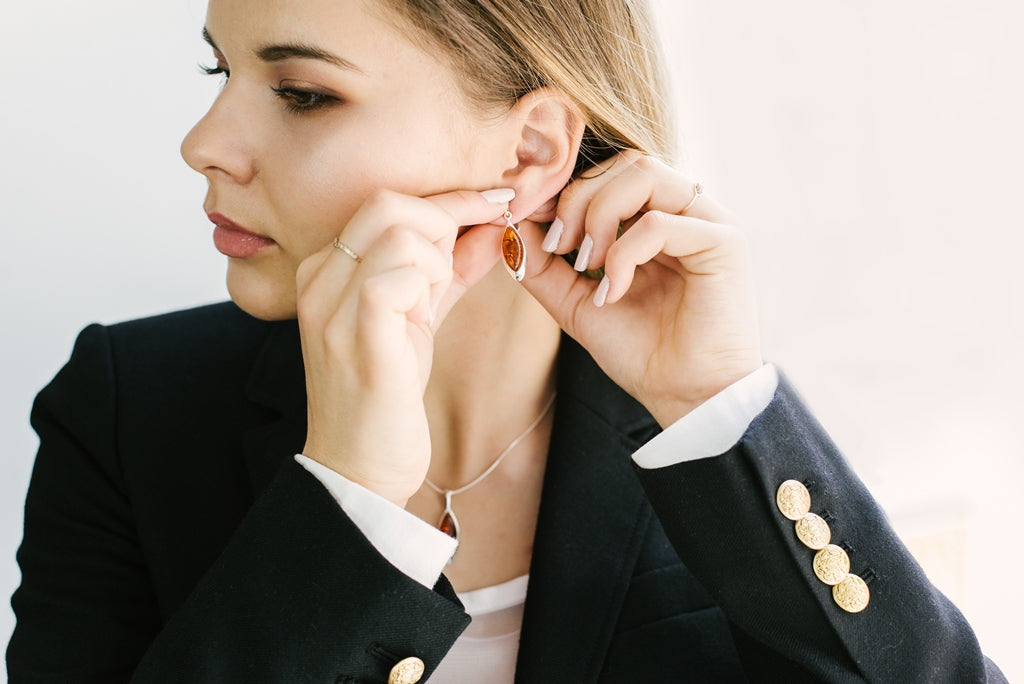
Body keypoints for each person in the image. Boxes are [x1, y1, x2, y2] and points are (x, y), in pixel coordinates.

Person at [5, 0, 1006, 682]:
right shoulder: (128, 408)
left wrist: (717, 408)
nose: (202, 143)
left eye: (302, 92)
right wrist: (350, 502)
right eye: (218, 69)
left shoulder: (708, 441)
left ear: (528, 151)